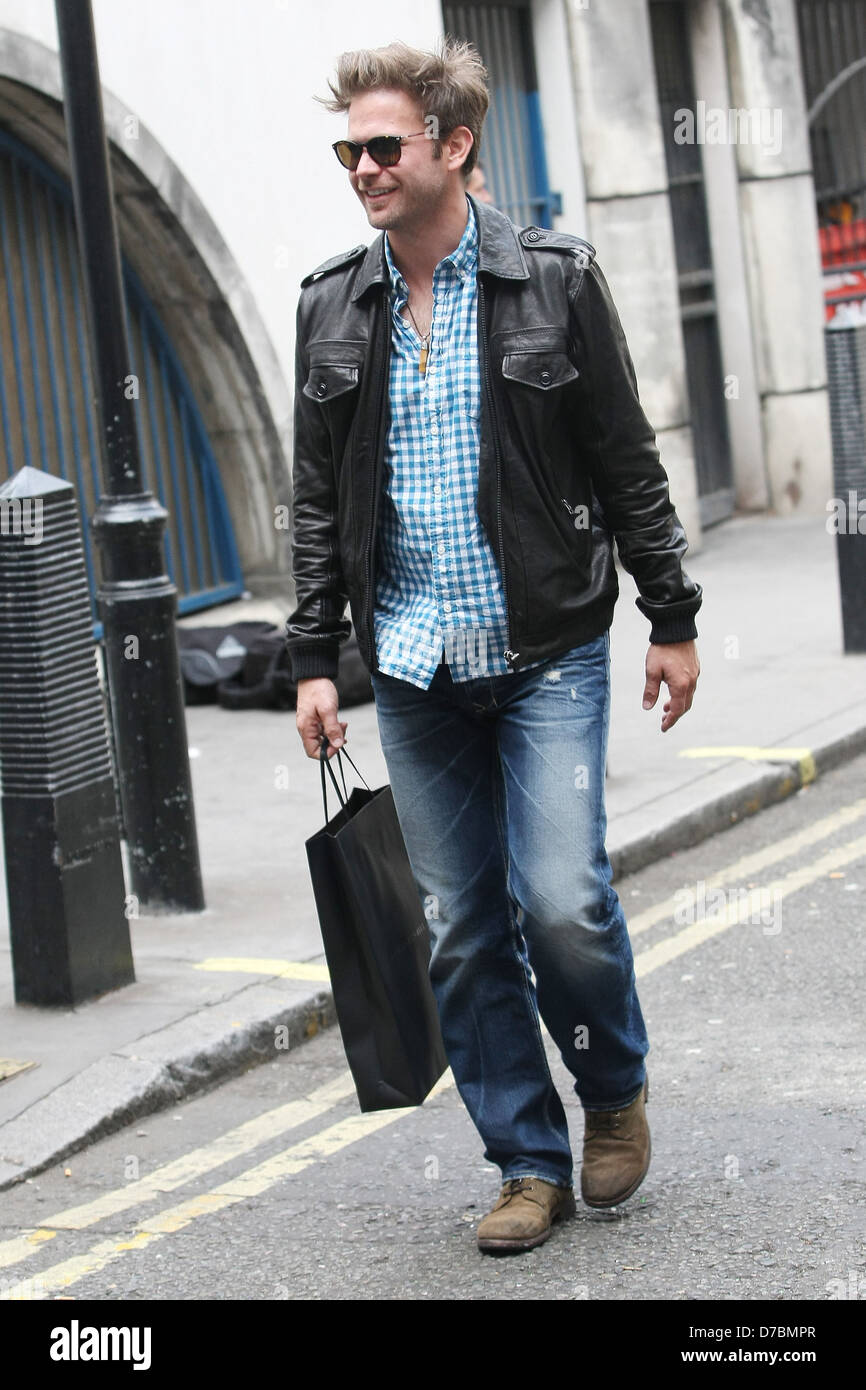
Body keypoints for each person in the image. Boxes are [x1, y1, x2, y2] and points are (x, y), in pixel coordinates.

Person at [286, 39, 701, 1254]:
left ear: (451, 146)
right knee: (461, 928)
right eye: (347, 150)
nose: (360, 170)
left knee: (561, 900)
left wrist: (669, 616)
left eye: (381, 147)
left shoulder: (552, 281)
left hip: (546, 648)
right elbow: (314, 500)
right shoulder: (329, 301)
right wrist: (316, 656)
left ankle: (610, 1086)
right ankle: (525, 1159)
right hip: (412, 666)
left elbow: (626, 458)